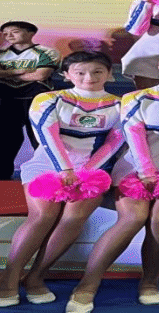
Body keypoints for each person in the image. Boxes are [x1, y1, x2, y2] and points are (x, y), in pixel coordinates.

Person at [65, 49, 159, 312]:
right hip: (134, 170)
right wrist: (146, 171)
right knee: (132, 219)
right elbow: (133, 134)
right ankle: (87, 285)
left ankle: (150, 282)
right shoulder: (136, 97)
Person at [0, 52, 124, 308]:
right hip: (47, 166)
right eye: (80, 72)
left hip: (92, 171)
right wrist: (65, 169)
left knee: (73, 218)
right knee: (42, 215)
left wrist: (85, 172)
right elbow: (47, 136)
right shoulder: (48, 99)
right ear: (66, 75)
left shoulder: (121, 105)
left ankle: (36, 276)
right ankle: (9, 279)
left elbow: (114, 142)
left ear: (110, 74)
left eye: (97, 71)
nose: (89, 77)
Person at [0, 21, 61, 179]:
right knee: (6, 141)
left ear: (31, 33)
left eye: (14, 31)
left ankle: (46, 176)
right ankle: (3, 178)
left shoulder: (47, 52)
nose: (9, 36)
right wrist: (20, 70)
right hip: (7, 100)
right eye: (5, 33)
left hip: (37, 100)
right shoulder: (2, 53)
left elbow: (41, 75)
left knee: (40, 138)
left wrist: (6, 73)